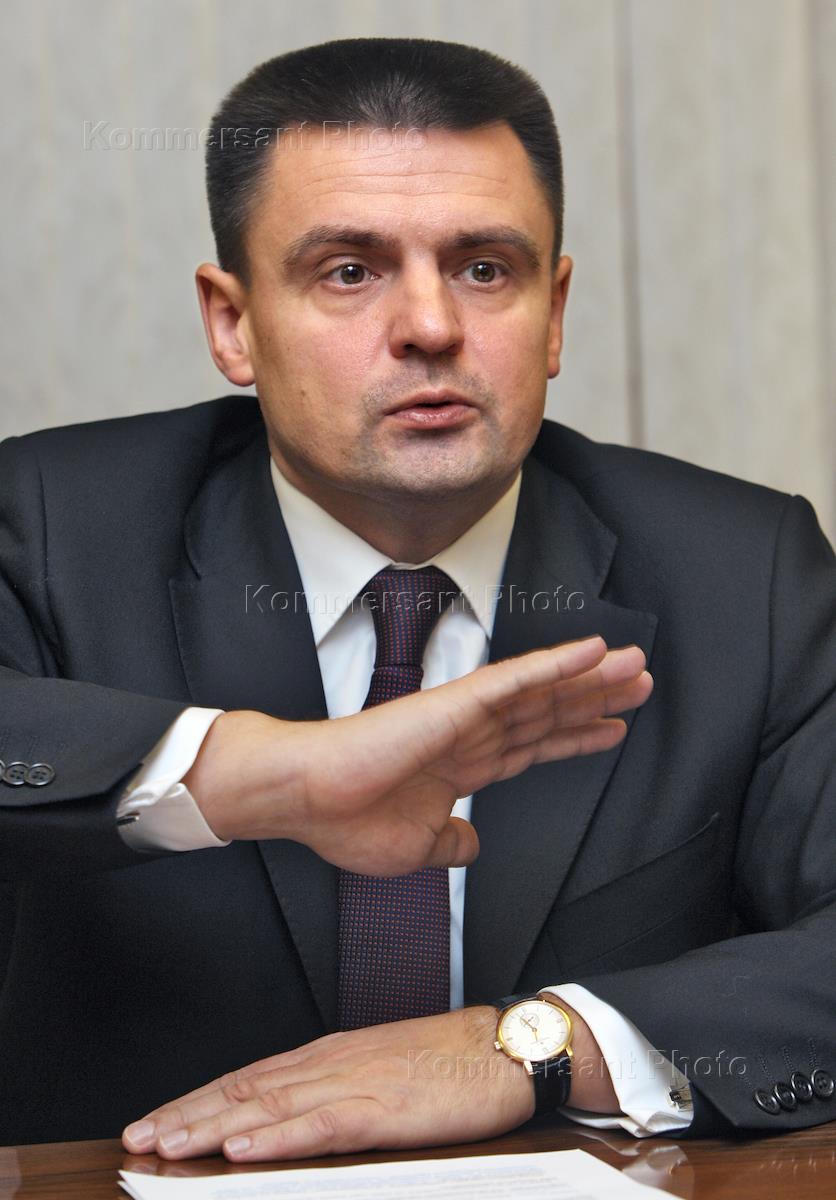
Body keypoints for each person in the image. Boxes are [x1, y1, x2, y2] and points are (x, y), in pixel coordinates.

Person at [0, 38, 833, 1158]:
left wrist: (535, 1047)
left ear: (553, 312)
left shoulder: (744, 570)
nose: (432, 327)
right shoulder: (50, 525)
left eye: (484, 269)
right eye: (349, 271)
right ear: (233, 323)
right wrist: (268, 774)